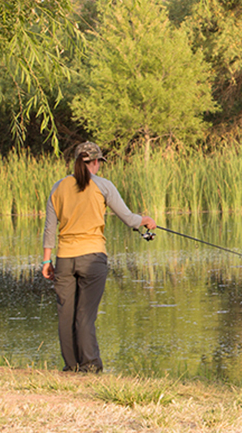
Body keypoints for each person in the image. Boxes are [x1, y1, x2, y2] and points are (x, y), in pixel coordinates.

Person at [40, 141, 156, 373]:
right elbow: (129, 219)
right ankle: (90, 366)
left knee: (66, 314)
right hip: (92, 258)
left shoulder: (58, 187)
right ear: (95, 162)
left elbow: (50, 228)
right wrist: (146, 221)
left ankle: (71, 366)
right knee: (85, 314)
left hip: (64, 259)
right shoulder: (103, 186)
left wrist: (46, 260)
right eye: (99, 162)